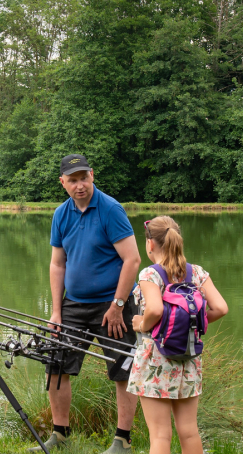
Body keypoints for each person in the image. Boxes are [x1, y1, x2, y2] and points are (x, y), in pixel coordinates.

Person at [36, 154, 142, 454]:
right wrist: (56, 311)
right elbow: (57, 264)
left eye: (84, 177)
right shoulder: (61, 214)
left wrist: (118, 305)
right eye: (73, 180)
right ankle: (60, 435)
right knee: (56, 366)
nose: (79, 185)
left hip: (114, 306)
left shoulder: (110, 209)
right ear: (63, 183)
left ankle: (122, 441)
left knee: (123, 369)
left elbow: (132, 260)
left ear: (92, 176)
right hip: (73, 304)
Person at [129, 216, 229, 454]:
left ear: (150, 244)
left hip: (155, 360)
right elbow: (221, 308)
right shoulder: (197, 273)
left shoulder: (150, 275)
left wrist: (142, 324)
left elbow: (154, 309)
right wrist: (191, 326)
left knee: (161, 435)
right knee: (189, 430)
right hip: (189, 357)